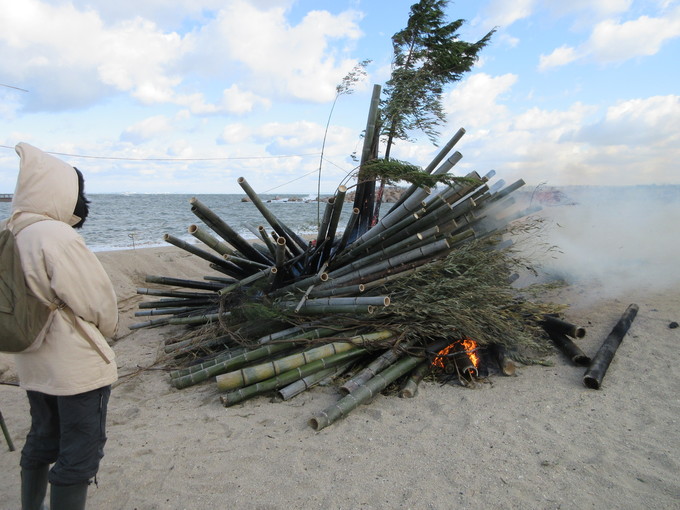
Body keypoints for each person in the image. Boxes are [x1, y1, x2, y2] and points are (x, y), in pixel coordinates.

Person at [5, 143, 118, 510]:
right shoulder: (55, 236)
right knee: (79, 451)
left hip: (34, 362)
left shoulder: (11, 235)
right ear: (59, 191)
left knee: (42, 439)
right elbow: (97, 302)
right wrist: (108, 329)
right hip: (75, 366)